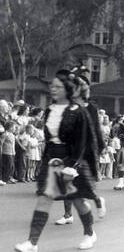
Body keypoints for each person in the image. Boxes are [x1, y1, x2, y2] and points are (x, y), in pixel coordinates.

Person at [15, 69, 98, 252]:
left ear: (67, 89)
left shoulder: (79, 112)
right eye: (52, 86)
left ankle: (90, 233)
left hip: (71, 161)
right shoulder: (50, 110)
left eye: (58, 87)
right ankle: (32, 242)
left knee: (78, 201)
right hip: (52, 160)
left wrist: (73, 166)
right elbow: (49, 138)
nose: (53, 89)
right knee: (45, 199)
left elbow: (83, 142)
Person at [55, 66, 106, 226]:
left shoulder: (91, 108)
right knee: (67, 182)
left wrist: (98, 150)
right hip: (69, 150)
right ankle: (68, 214)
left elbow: (96, 132)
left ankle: (98, 201)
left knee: (84, 187)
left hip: (86, 151)